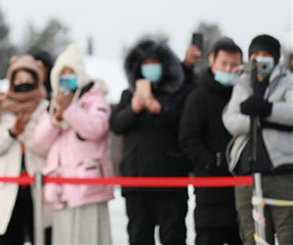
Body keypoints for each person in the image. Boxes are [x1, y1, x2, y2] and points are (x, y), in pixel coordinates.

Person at [110, 39, 192, 245]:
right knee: (139, 236)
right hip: (137, 180)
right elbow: (116, 125)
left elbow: (185, 124)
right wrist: (134, 109)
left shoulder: (177, 94)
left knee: (173, 236)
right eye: (145, 63)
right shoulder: (128, 95)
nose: (150, 67)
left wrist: (160, 110)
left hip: (170, 180)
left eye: (155, 62)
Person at [33, 44, 113, 245]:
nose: (66, 77)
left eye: (71, 72)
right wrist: (56, 120)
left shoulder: (95, 98)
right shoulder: (53, 103)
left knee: (91, 238)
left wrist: (70, 110)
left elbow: (96, 129)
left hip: (89, 186)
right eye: (62, 73)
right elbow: (39, 141)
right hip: (63, 189)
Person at [223, 34, 293, 245]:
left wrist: (268, 110)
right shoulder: (242, 84)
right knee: (251, 235)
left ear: (275, 58)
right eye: (255, 54)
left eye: (265, 55)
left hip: (281, 171)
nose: (259, 59)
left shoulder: (288, 81)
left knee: (287, 232)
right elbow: (230, 120)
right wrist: (260, 120)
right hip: (247, 174)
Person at [178, 37, 243, 245]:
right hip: (210, 189)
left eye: (234, 65)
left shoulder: (244, 97)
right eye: (224, 64)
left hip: (242, 190)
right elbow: (188, 137)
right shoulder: (198, 97)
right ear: (212, 63)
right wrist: (212, 161)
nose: (229, 69)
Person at [0, 56, 50, 245]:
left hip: (38, 186)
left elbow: (49, 147)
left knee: (42, 237)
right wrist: (10, 133)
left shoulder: (46, 108)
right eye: (18, 80)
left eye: (28, 79)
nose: (23, 84)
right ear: (11, 81)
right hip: (7, 188)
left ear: (36, 80)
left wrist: (25, 134)